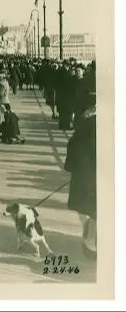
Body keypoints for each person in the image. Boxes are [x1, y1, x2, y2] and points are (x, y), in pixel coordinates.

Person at [64, 91, 97, 260]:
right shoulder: (96, 122)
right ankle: (92, 242)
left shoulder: (86, 120)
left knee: (88, 210)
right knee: (94, 211)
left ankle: (91, 241)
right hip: (94, 174)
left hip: (85, 173)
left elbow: (73, 146)